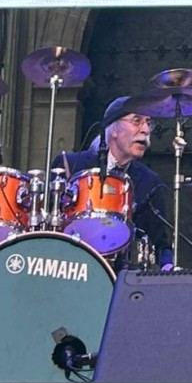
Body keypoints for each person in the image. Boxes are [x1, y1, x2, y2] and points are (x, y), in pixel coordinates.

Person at [59, 98, 173, 270]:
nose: (146, 130)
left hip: (124, 279)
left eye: (148, 123)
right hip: (70, 267)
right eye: (137, 121)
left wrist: (168, 266)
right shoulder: (69, 165)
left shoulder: (150, 181)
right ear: (113, 130)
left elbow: (160, 243)